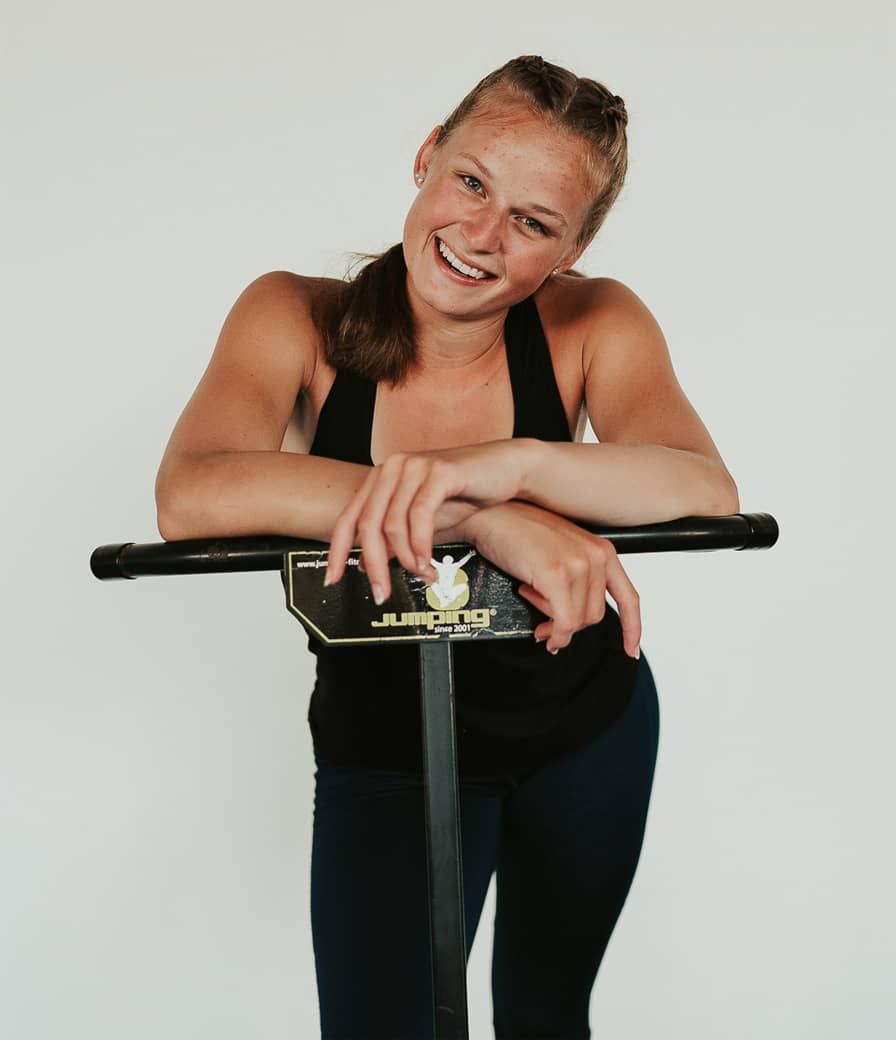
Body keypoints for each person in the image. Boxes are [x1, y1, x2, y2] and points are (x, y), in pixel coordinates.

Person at [155, 54, 738, 1040]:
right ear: (426, 154)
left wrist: (500, 465)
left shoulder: (594, 320)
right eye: (471, 180)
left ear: (571, 249)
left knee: (543, 1018)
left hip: (582, 728)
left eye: (532, 222)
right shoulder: (296, 316)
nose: (479, 234)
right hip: (385, 743)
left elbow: (699, 486)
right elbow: (193, 488)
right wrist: (475, 516)